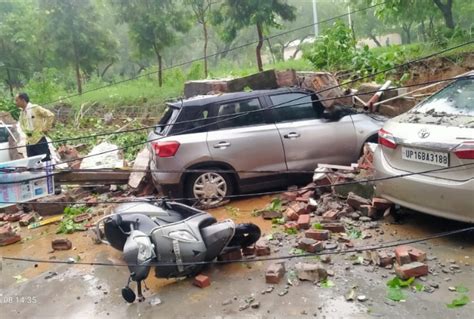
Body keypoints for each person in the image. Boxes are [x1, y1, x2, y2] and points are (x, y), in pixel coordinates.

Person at [15, 93, 55, 161]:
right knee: (32, 163)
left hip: (39, 139)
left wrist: (45, 128)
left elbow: (50, 115)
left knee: (45, 160)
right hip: (29, 142)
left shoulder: (35, 108)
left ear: (23, 100)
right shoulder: (21, 113)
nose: (16, 103)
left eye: (17, 100)